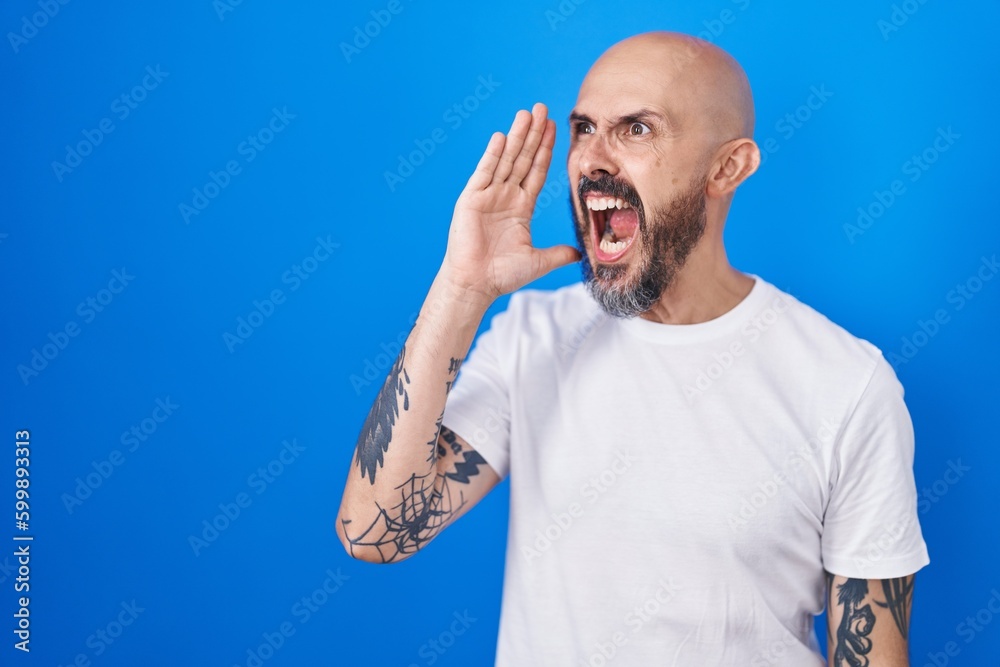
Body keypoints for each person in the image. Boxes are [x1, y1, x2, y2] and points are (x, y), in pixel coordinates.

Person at [335, 31, 929, 666]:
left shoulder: (845, 383)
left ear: (728, 167)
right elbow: (374, 531)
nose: (592, 159)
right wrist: (461, 290)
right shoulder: (531, 337)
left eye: (637, 129)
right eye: (584, 128)